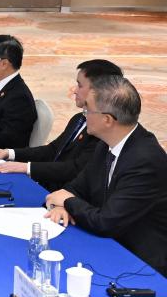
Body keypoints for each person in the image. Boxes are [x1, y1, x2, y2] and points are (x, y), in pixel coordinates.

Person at [45, 76, 167, 277]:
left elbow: (106, 222)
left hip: (142, 265)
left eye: (88, 111)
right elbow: (76, 187)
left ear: (107, 120)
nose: (84, 115)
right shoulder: (106, 144)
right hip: (110, 244)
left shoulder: (145, 161)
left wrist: (67, 201)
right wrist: (61, 204)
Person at [0, 60, 121, 191]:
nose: (75, 90)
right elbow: (53, 150)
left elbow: (74, 169)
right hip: (47, 184)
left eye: (80, 85)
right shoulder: (79, 119)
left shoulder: (102, 130)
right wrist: (9, 153)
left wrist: (26, 167)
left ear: (98, 91)